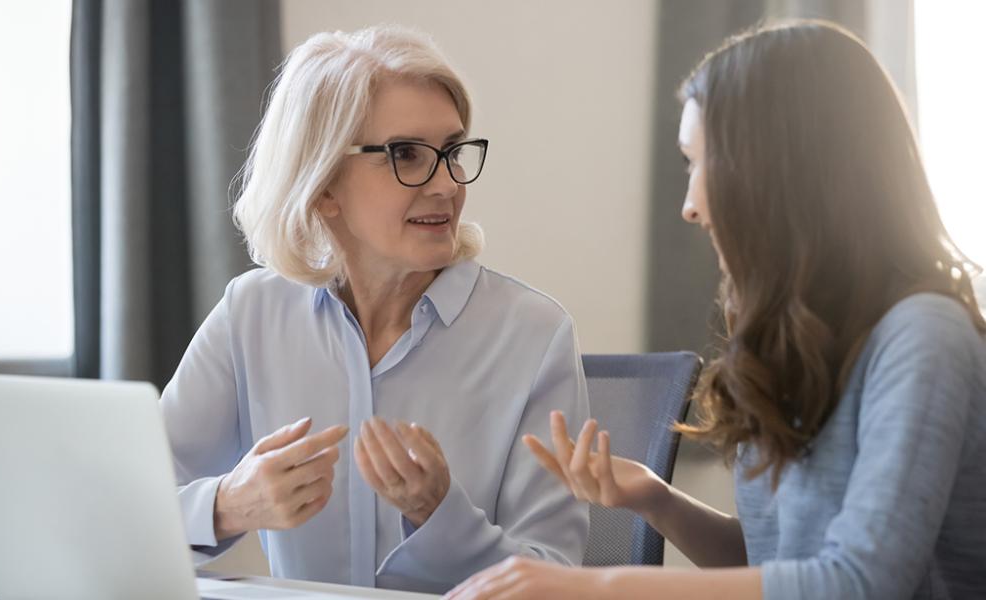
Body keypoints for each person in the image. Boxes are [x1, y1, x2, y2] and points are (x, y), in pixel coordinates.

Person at [445, 20, 986, 600]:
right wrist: (656, 499)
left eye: (701, 162)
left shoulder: (924, 337)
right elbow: (775, 564)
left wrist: (593, 588)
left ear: (779, 171)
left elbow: (858, 583)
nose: (690, 205)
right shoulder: (798, 338)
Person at [159, 25, 589, 594]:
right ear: (323, 185)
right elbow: (129, 505)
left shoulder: (535, 334)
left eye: (452, 151)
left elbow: (556, 580)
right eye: (406, 154)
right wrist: (230, 505)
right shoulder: (252, 313)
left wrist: (440, 516)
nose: (445, 185)